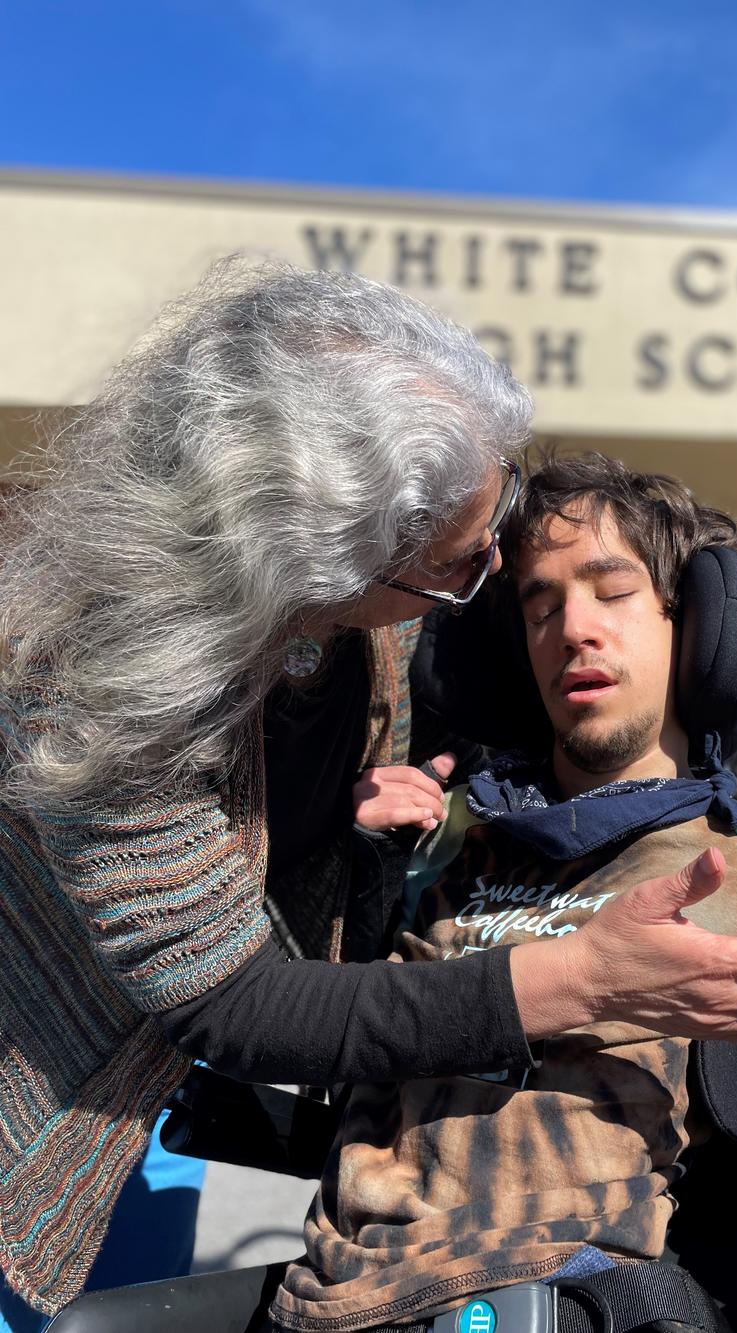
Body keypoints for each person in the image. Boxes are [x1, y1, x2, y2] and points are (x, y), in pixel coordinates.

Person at [270, 453, 737, 1331]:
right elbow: (291, 1025)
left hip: (586, 1298)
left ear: (691, 628)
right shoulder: (443, 847)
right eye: (540, 605)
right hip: (340, 1296)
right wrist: (352, 861)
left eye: (611, 591)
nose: (571, 629)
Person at [0, 257, 532, 1325]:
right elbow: (228, 999)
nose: (490, 564)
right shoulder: (87, 668)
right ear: (323, 557)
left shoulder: (358, 627)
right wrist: (580, 981)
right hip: (49, 1103)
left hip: (153, 1094)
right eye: (463, 560)